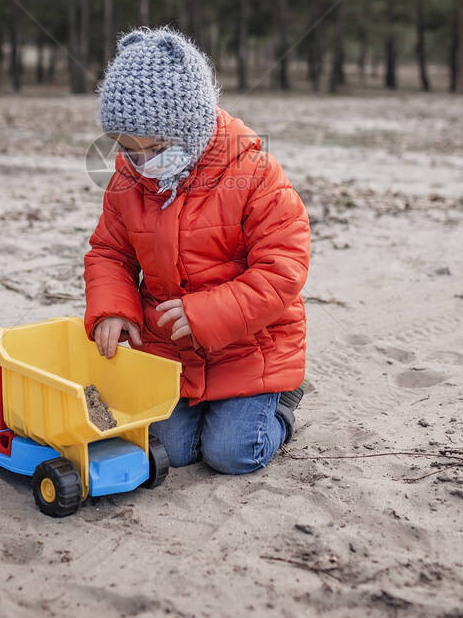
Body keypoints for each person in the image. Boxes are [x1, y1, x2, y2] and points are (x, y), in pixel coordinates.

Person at [83, 25, 311, 475]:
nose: (144, 163)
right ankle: (209, 411)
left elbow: (284, 268)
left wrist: (205, 314)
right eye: (130, 150)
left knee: (231, 453)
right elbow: (110, 252)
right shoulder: (129, 179)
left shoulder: (254, 171)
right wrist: (114, 309)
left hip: (249, 346)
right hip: (173, 351)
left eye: (157, 149)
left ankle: (282, 405)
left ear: (194, 128)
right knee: (173, 451)